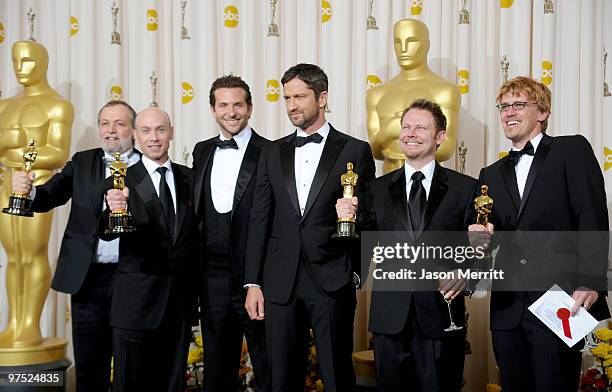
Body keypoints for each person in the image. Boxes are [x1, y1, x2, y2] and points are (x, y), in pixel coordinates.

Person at [469, 76, 610, 392]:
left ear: (543, 111)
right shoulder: (489, 175)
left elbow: (592, 214)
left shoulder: (570, 149)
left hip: (559, 300)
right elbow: (488, 242)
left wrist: (590, 280)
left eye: (518, 104)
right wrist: (481, 239)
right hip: (506, 308)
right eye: (503, 107)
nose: (508, 112)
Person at [244, 63, 375, 391]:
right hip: (279, 281)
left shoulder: (355, 150)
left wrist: (356, 271)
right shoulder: (272, 151)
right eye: (287, 98)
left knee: (336, 375)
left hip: (332, 277)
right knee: (281, 376)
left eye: (299, 96)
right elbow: (260, 218)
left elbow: (369, 216)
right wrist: (253, 283)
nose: (291, 105)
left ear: (322, 97)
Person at [10, 100, 137, 391]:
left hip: (132, 279)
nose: (111, 130)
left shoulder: (147, 164)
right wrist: (28, 192)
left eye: (119, 123)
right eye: (105, 123)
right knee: (90, 367)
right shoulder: (82, 161)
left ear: (132, 128)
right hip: (87, 279)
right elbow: (50, 195)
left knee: (131, 368)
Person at [360, 99, 477, 391]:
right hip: (389, 320)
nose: (410, 133)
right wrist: (345, 221)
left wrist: (465, 271)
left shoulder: (466, 189)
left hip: (441, 318)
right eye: (406, 126)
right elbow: (361, 245)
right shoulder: (376, 189)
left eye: (421, 127)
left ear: (440, 137)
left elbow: (483, 248)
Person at [104, 107, 197, 391]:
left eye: (160, 130)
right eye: (145, 131)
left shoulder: (191, 179)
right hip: (136, 306)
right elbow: (103, 231)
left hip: (179, 307)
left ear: (171, 132)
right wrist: (113, 211)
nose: (154, 138)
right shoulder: (119, 180)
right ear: (134, 136)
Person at [192, 75, 270, 392]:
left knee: (269, 367)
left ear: (249, 108)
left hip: (258, 277)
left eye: (238, 104)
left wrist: (259, 279)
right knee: (217, 371)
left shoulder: (271, 151)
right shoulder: (201, 151)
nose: (231, 112)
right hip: (213, 279)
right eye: (223, 105)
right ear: (213, 110)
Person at [0, 40, 73, 349]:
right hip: (5, 185)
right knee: (13, 256)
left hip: (37, 185)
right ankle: (14, 324)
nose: (20, 67)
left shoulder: (57, 105)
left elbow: (58, 153)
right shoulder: (4, 106)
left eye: (27, 60)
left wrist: (19, 151)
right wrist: (10, 142)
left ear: (42, 63)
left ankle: (30, 324)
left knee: (32, 253)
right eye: (16, 60)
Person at [366, 18, 460, 173]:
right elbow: (374, 151)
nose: (403, 49)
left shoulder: (445, 90)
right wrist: (388, 131)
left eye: (411, 41)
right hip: (388, 184)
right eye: (397, 42)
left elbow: (447, 148)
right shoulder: (377, 94)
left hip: (431, 186)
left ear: (427, 45)